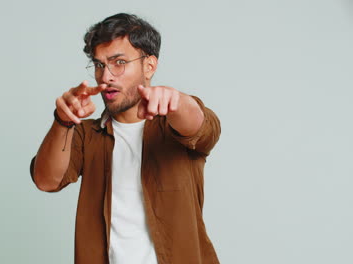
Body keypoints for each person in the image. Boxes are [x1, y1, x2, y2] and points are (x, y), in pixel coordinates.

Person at [30, 13, 221, 264]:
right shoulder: (86, 135)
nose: (106, 76)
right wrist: (63, 121)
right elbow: (46, 181)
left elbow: (201, 126)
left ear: (149, 66)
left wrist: (177, 101)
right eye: (99, 65)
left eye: (118, 62)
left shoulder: (174, 127)